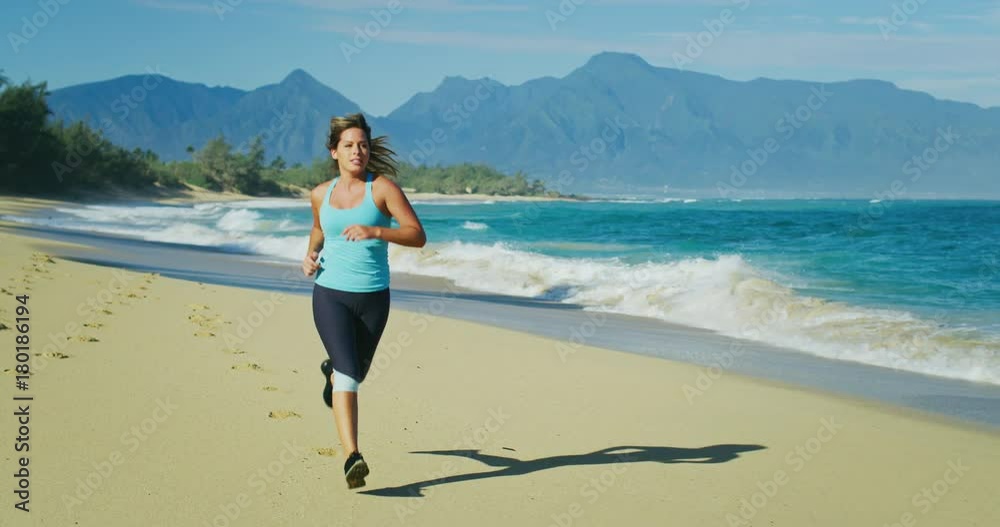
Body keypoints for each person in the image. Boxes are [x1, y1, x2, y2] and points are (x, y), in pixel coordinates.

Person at [301, 113, 426, 489]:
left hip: (374, 297)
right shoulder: (321, 193)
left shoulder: (383, 189)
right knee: (350, 377)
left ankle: (332, 372)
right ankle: (352, 457)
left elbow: (417, 235)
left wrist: (376, 230)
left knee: (355, 371)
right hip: (330, 294)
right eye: (349, 145)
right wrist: (309, 256)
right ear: (334, 151)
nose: (358, 151)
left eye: (363, 145)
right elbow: (319, 228)